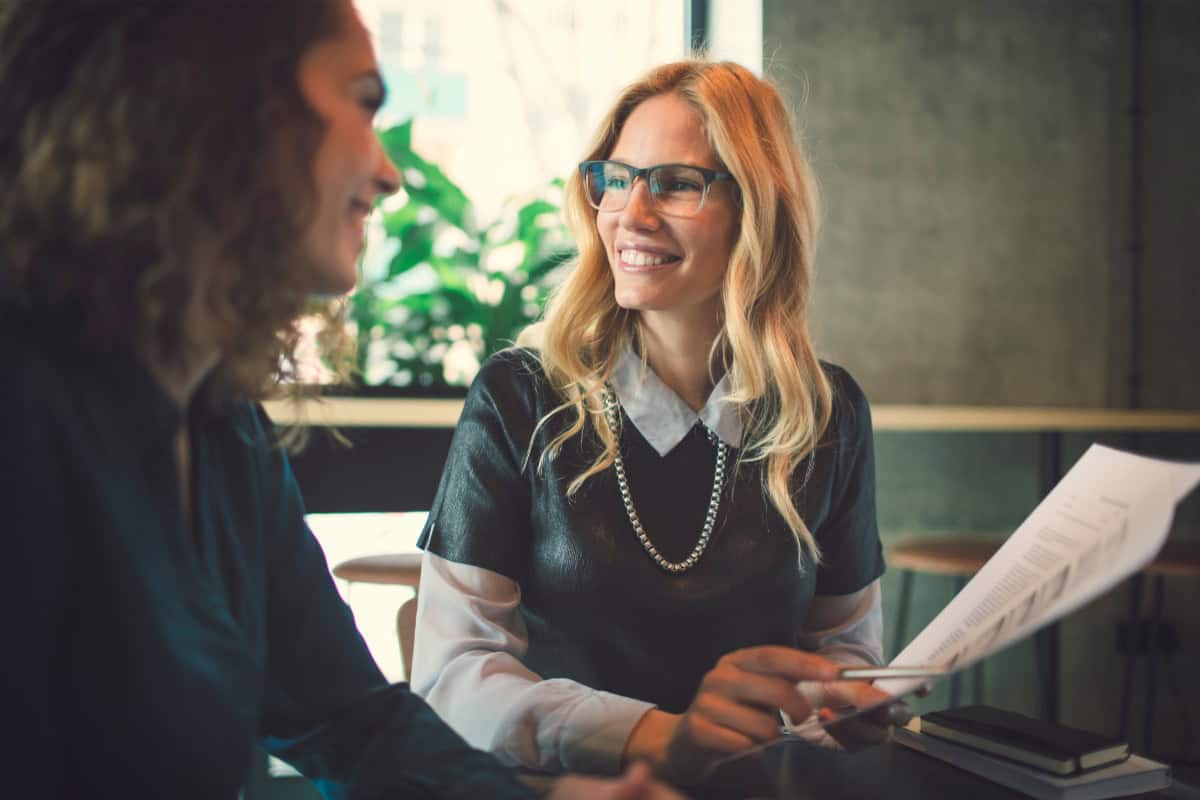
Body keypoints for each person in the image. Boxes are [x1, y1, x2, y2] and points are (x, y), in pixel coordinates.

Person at [0, 2, 680, 798]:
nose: (389, 172)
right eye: (363, 102)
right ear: (216, 107)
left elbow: (347, 721)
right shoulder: (26, 414)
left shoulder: (223, 429)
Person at [411, 59, 911, 785]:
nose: (630, 213)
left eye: (676, 183)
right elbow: (452, 676)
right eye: (616, 177)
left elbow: (844, 650)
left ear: (756, 208)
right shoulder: (518, 397)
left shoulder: (825, 412)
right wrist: (649, 736)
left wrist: (841, 703)